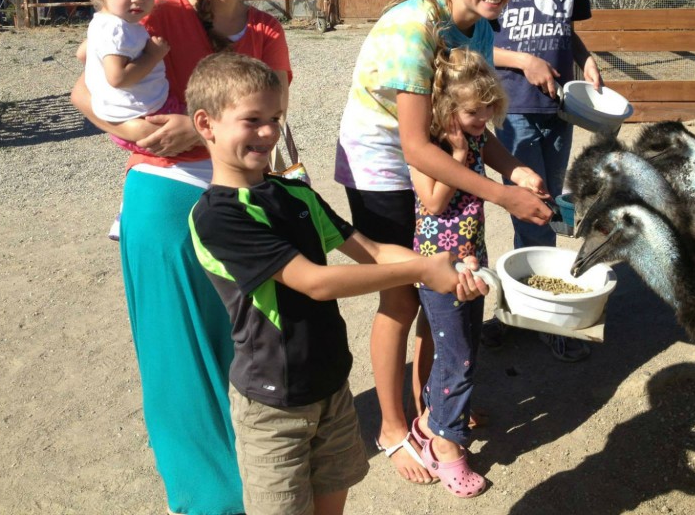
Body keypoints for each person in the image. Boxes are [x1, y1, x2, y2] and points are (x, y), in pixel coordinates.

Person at [186, 52, 488, 515]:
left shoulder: (294, 194)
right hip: (273, 405)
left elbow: (370, 249)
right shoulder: (218, 216)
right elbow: (315, 282)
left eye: (275, 118)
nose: (268, 133)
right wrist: (422, 271)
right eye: (252, 120)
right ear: (206, 124)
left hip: (332, 386)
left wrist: (442, 269)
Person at [70, 0, 289, 515]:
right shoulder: (156, 10)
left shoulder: (266, 30)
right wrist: (137, 133)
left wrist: (198, 131)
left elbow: (274, 115)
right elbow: (84, 88)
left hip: (239, 196)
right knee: (177, 359)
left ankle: (247, 476)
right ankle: (208, 501)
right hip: (164, 196)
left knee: (244, 346)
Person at [334, 0, 551, 485]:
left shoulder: (478, 26)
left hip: (437, 152)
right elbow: (415, 146)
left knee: (444, 291)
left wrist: (515, 167)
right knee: (403, 297)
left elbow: (472, 123)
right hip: (381, 159)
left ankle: (437, 406)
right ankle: (390, 425)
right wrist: (503, 196)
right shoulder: (415, 30)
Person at [491, 0, 604, 362]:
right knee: (534, 207)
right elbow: (475, 45)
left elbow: (566, 30)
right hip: (511, 106)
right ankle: (540, 315)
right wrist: (524, 61)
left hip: (558, 108)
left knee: (547, 203)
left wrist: (587, 59)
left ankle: (522, 304)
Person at [408, 47, 513, 498]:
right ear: (447, 108)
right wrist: (454, 151)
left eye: (489, 107)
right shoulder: (427, 147)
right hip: (439, 267)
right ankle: (445, 445)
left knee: (465, 347)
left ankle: (436, 417)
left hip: (472, 258)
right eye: (474, 110)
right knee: (459, 356)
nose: (482, 117)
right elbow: (432, 201)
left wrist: (518, 173)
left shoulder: (476, 137)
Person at [80, 0, 174, 152]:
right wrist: (153, 55)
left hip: (120, 116)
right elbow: (117, 78)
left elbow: (81, 54)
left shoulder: (101, 22)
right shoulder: (117, 29)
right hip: (144, 113)